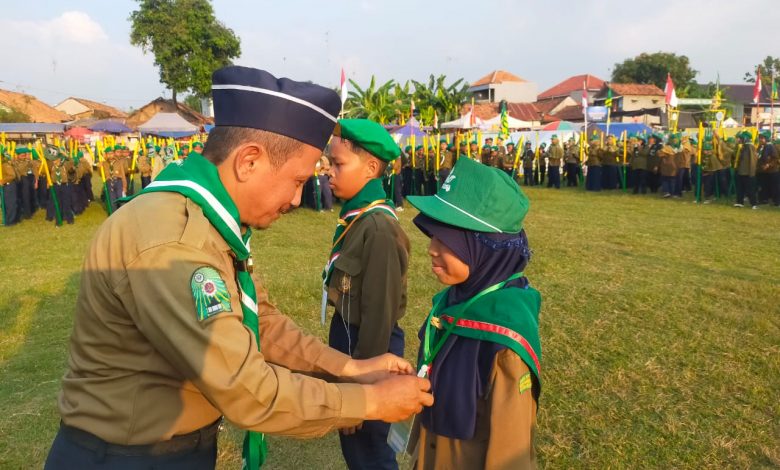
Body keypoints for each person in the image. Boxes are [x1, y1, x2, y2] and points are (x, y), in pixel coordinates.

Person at [43, 67, 433, 470]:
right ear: (249, 161)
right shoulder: (177, 242)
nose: (298, 199)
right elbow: (247, 390)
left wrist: (349, 368)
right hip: (129, 457)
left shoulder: (207, 222)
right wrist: (369, 401)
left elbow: (259, 320)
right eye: (297, 180)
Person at [407, 157, 542, 470]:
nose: (431, 248)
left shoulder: (504, 341)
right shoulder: (452, 303)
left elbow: (512, 455)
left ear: (484, 247)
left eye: (448, 240)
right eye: (433, 236)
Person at [324, 118, 410, 469]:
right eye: (329, 162)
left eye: (338, 163)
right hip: (350, 340)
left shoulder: (379, 228)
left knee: (370, 453)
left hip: (368, 348)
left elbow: (378, 315)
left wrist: (363, 394)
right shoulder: (358, 219)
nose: (329, 171)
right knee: (357, 451)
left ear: (372, 167)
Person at [734, 131, 758, 209]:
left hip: (748, 172)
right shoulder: (743, 146)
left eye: (741, 138)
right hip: (741, 171)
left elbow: (753, 161)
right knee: (740, 188)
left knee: (750, 189)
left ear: (745, 138)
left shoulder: (750, 147)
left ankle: (753, 204)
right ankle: (740, 202)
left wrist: (751, 173)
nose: (739, 139)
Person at [757, 131, 779, 206]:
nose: (760, 139)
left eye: (762, 138)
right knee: (764, 186)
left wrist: (768, 165)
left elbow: (775, 158)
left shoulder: (770, 146)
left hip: (772, 171)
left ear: (766, 139)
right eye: (759, 138)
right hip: (763, 170)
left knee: (774, 187)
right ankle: (764, 200)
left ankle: (777, 202)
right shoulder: (761, 146)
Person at [1, 147, 20, 226]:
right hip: (6, 186)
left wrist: (3, 181)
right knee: (6, 203)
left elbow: (12, 175)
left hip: (9, 186)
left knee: (10, 203)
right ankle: (8, 219)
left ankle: (11, 221)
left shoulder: (5, 164)